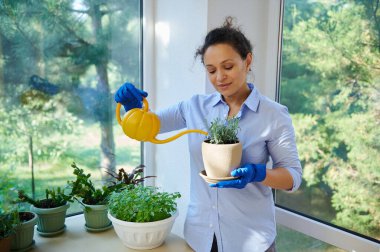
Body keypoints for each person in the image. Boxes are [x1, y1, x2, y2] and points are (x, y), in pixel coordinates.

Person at [115, 16, 302, 252]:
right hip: (200, 238)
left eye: (228, 67)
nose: (219, 78)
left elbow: (293, 178)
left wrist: (258, 174)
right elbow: (147, 128)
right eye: (211, 70)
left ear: (248, 60)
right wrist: (132, 108)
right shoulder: (193, 107)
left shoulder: (273, 115)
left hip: (251, 242)